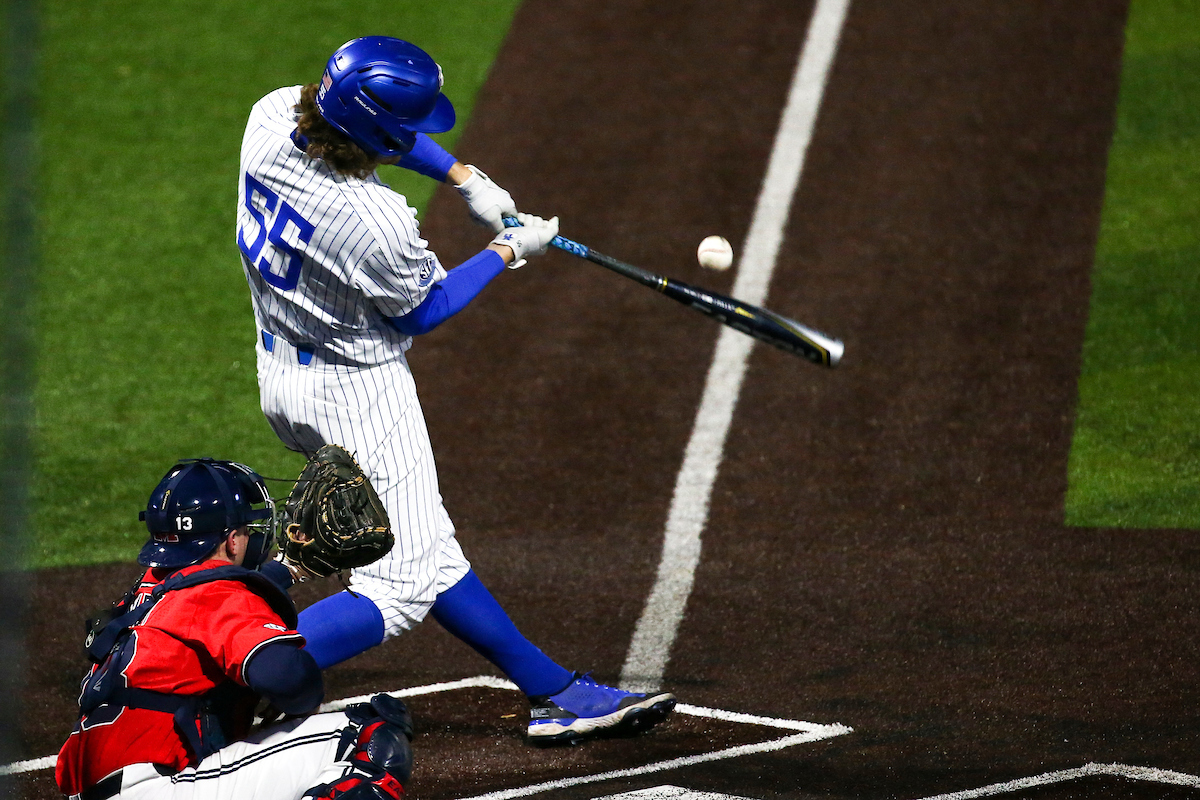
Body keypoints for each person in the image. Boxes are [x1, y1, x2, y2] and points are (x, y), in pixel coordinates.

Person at [236, 35, 676, 745]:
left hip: (280, 372)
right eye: (408, 131)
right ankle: (222, 673)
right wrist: (507, 251)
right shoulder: (372, 223)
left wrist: (465, 177)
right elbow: (423, 310)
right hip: (359, 395)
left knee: (429, 547)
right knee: (401, 587)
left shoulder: (272, 116)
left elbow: (358, 131)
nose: (418, 138)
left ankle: (553, 691)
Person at [56, 458, 416, 800]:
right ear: (230, 540)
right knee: (367, 735)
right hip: (160, 790)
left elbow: (213, 599)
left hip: (102, 785)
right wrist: (274, 684)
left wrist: (288, 568)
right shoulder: (213, 596)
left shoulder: (147, 593)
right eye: (245, 529)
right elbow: (294, 685)